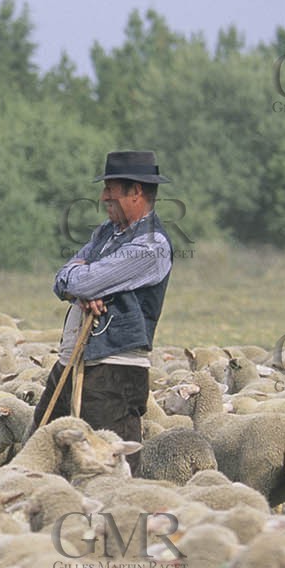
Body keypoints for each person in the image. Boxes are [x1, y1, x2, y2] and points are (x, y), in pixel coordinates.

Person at [32, 150, 174, 476]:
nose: (103, 197)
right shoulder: (106, 233)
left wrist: (83, 283)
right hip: (72, 361)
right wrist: (81, 287)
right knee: (40, 456)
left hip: (113, 371)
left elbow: (84, 281)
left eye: (111, 189)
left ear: (136, 191)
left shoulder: (150, 245)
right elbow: (64, 279)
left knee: (106, 470)